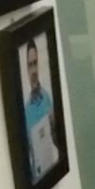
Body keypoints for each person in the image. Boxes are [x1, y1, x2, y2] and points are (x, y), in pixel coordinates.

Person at [21, 40, 60, 177]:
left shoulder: (48, 99)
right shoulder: (25, 113)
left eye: (35, 63)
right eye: (30, 65)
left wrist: (54, 125)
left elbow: (60, 144)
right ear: (26, 70)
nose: (34, 71)